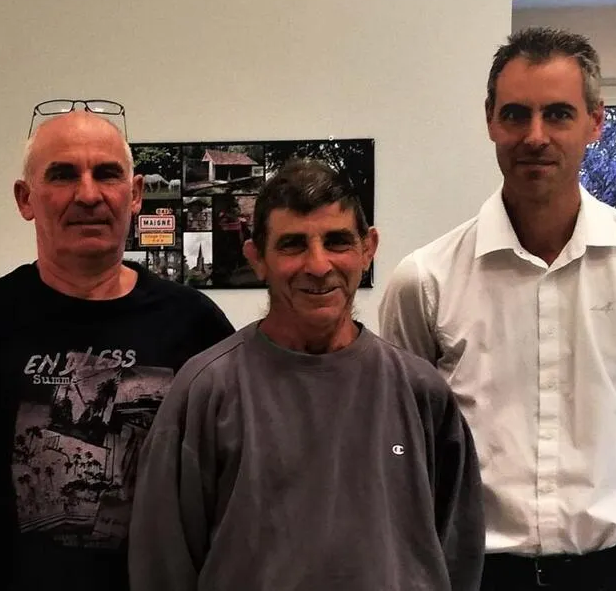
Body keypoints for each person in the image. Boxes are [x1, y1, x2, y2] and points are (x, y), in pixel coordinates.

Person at [379, 27, 616, 590]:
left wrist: (609, 506)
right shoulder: (425, 280)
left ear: (595, 122)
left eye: (558, 114)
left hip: (612, 573)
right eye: (516, 115)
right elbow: (404, 440)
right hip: (475, 574)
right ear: (490, 120)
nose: (535, 136)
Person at [0, 105, 235, 591]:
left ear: (134, 195)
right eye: (63, 175)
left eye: (107, 174)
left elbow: (234, 486)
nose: (88, 195)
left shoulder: (195, 323)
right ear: (25, 198)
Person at [128, 158, 485, 591]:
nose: (318, 265)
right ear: (256, 258)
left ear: (368, 248)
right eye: (293, 245)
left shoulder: (420, 391)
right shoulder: (207, 391)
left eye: (337, 241)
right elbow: (163, 564)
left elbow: (458, 553)